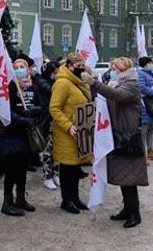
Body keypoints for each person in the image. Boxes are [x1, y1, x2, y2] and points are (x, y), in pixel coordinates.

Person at [83, 57, 148, 228]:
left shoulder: (131, 84)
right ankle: (127, 209)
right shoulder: (117, 83)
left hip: (129, 138)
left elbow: (117, 96)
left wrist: (94, 83)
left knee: (129, 178)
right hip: (119, 135)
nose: (112, 70)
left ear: (124, 69)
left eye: (115, 68)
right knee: (122, 177)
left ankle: (135, 213)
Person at [49, 53, 93, 214]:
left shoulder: (80, 82)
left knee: (75, 169)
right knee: (67, 168)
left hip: (80, 131)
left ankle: (75, 198)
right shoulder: (62, 83)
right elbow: (54, 108)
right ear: (68, 66)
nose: (81, 68)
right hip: (67, 133)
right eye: (77, 66)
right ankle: (66, 200)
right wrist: (68, 126)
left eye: (82, 66)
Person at [0, 59, 40, 217]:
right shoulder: (9, 88)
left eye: (23, 67)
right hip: (12, 135)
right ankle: (7, 202)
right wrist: (23, 120)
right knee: (11, 170)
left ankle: (21, 198)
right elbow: (6, 111)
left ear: (28, 70)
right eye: (16, 67)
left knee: (22, 169)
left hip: (27, 136)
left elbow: (42, 106)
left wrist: (33, 112)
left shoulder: (33, 88)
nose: (20, 69)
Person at [36, 60, 60, 190]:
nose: (58, 75)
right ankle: (47, 176)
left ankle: (55, 173)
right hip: (47, 121)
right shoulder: (42, 82)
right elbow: (52, 90)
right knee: (48, 151)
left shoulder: (55, 82)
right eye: (56, 73)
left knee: (57, 150)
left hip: (56, 121)